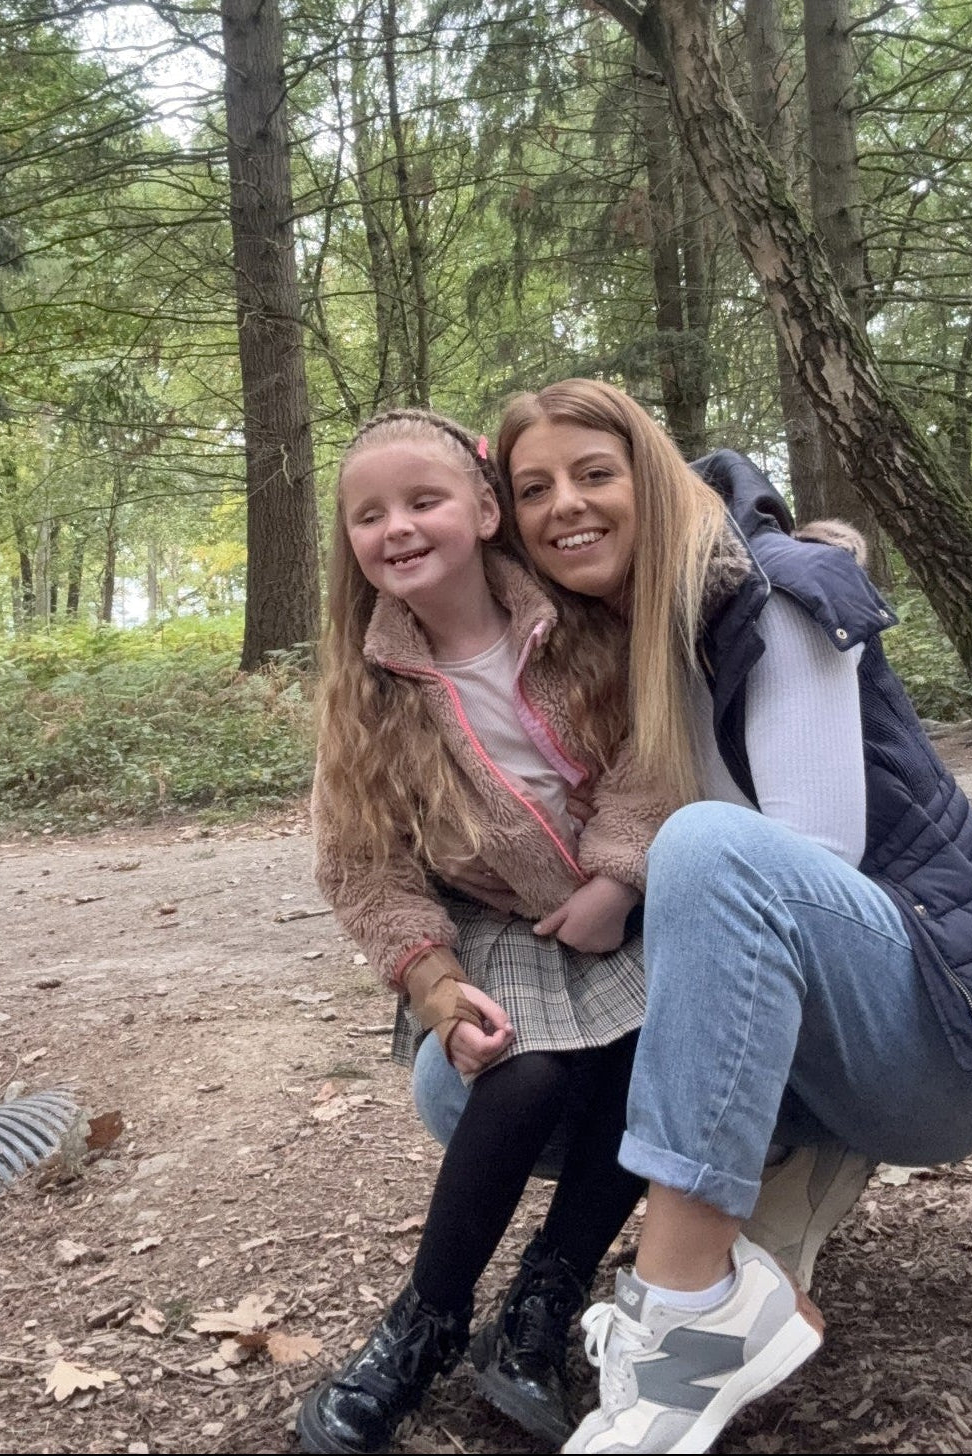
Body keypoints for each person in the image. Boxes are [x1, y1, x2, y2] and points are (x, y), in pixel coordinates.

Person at [416, 378, 972, 1455]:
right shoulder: (600, 643)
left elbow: (802, 859)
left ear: (652, 475)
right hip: (809, 1029)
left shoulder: (769, 595)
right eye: (531, 487)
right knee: (466, 1085)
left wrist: (641, 875)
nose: (563, 506)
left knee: (706, 852)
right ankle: (781, 1188)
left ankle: (689, 1320)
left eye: (594, 473)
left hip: (948, 1036)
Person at [297, 408, 677, 1455]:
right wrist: (429, 983)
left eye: (422, 501)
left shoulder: (574, 619)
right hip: (491, 920)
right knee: (523, 1069)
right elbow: (361, 865)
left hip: (624, 900)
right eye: (369, 515)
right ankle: (421, 1326)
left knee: (647, 1054)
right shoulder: (366, 685)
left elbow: (658, 745)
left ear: (481, 505)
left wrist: (613, 875)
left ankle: (542, 1304)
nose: (398, 528)